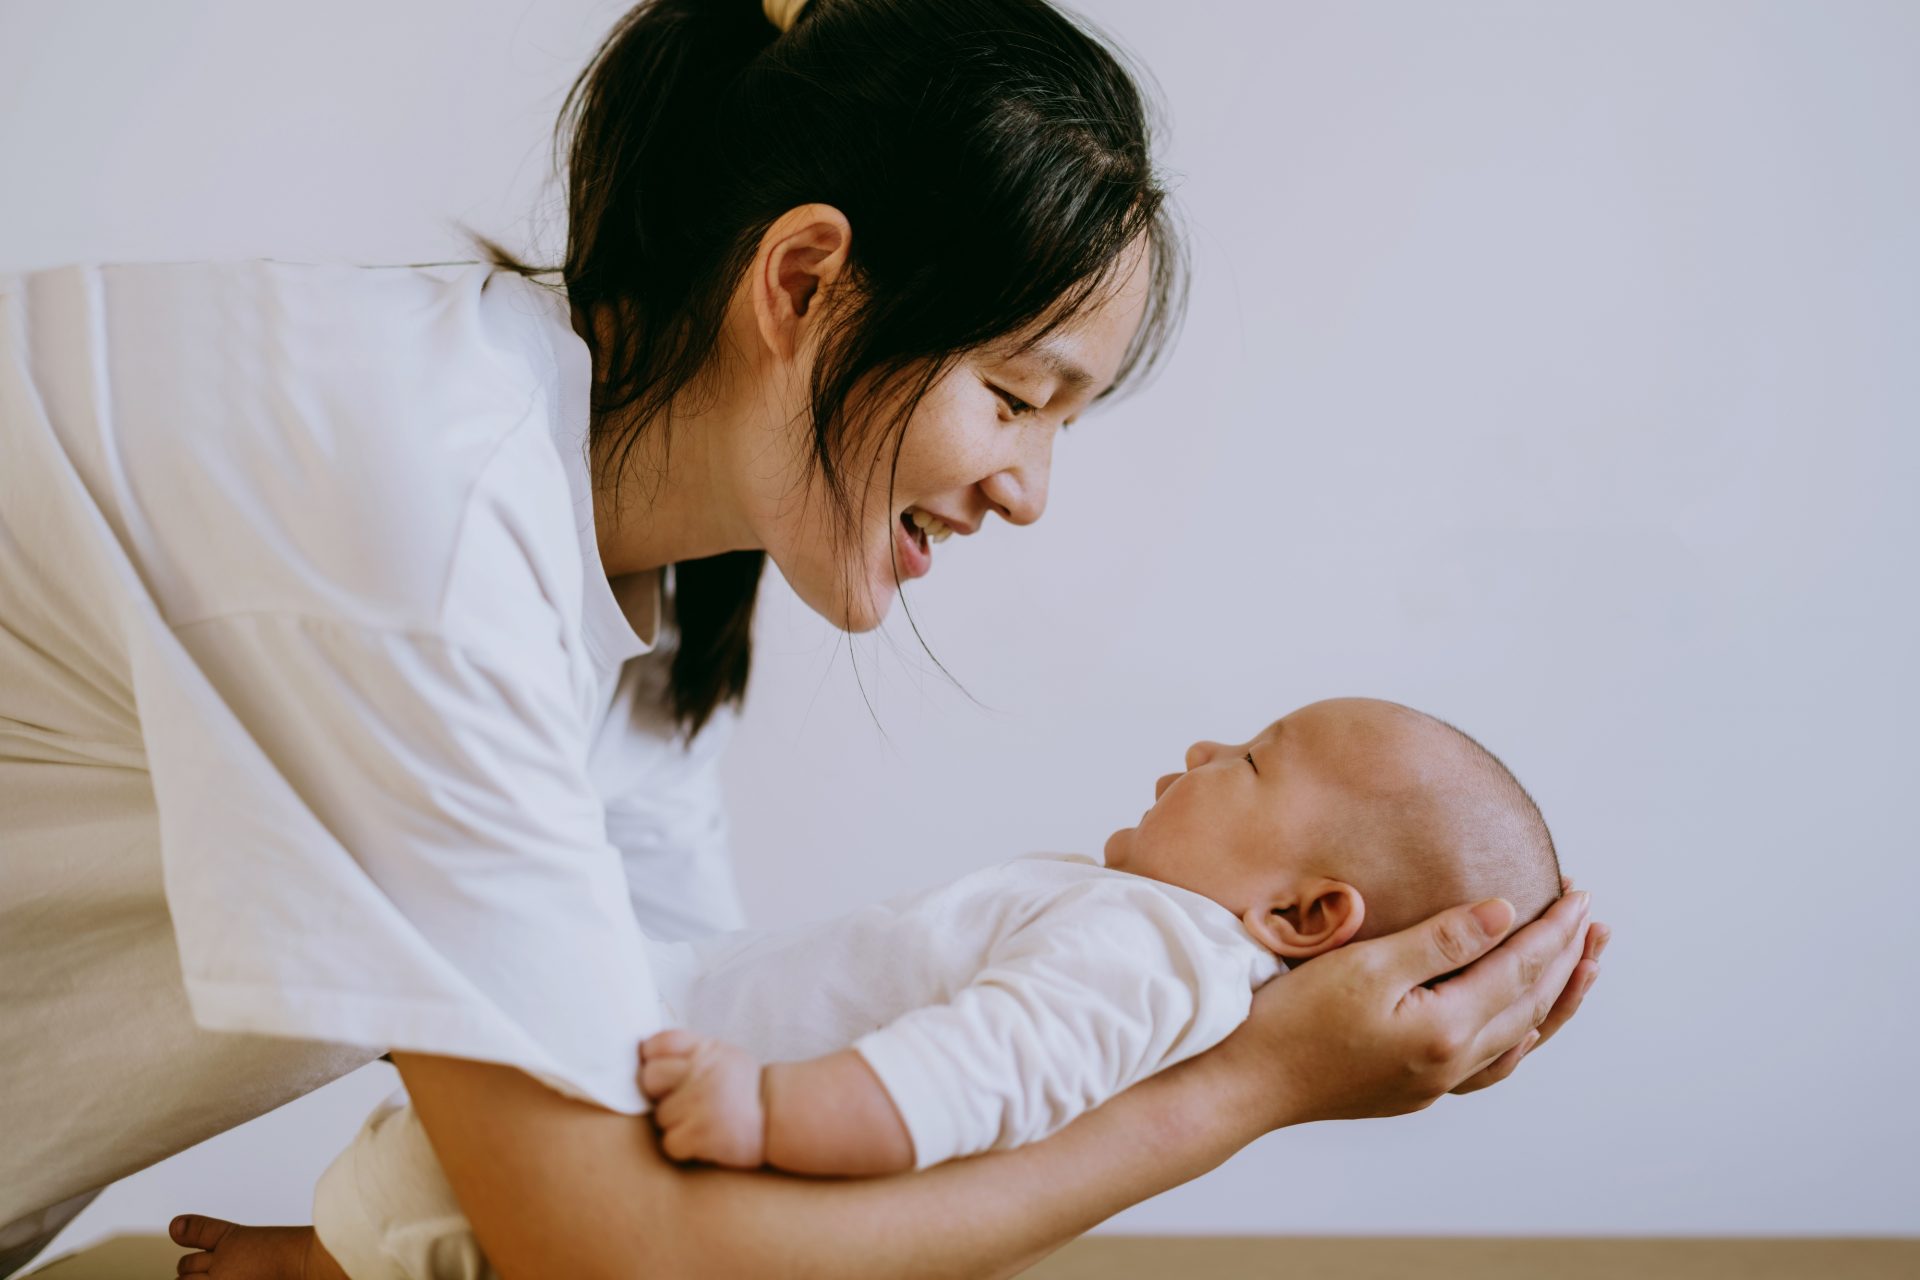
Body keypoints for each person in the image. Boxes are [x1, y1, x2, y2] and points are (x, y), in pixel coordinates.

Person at [0, 2, 1608, 1277]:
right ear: (807, 281)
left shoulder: (622, 603)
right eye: (1016, 394)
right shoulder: (413, 505)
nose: (1029, 489)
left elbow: (683, 1124)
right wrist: (1254, 1087)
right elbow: (616, 1253)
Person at [165, 695, 1568, 1280]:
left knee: (437, 1237)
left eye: (1250, 762)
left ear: (1308, 914)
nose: (1203, 747)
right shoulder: (1152, 941)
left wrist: (770, 1113)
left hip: (641, 1136)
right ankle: (314, 1255)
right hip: (583, 1128)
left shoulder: (1159, 951)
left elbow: (967, 1078)